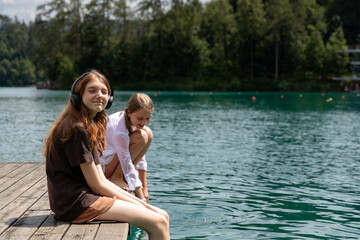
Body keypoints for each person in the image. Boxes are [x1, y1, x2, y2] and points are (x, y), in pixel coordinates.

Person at [43, 70, 169, 239]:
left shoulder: (85, 125)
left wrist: (140, 203)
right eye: (92, 90)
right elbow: (97, 185)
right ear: (78, 95)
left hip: (78, 199)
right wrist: (141, 205)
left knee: (163, 216)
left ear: (109, 99)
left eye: (104, 92)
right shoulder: (77, 129)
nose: (99, 95)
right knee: (158, 222)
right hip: (75, 204)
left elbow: (101, 180)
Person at [99, 93, 153, 203]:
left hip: (114, 161)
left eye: (147, 118)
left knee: (148, 133)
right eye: (140, 118)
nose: (143, 122)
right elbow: (126, 161)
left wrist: (144, 187)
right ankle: (116, 178)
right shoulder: (119, 129)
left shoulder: (131, 121)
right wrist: (141, 198)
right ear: (129, 113)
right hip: (102, 167)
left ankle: (123, 178)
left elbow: (141, 157)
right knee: (141, 136)